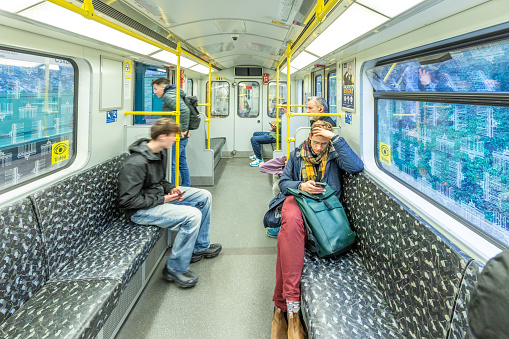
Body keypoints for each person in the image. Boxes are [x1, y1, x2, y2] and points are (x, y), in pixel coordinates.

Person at [270, 120, 364, 338]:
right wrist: (301, 185)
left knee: (286, 241)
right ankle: (293, 312)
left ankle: (281, 309)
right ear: (309, 137)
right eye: (316, 142)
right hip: (300, 200)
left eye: (324, 143)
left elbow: (356, 166)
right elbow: (283, 184)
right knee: (290, 221)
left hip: (323, 208)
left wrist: (335, 139)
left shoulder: (334, 155)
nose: (319, 148)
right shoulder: (296, 154)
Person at [118, 118, 222, 288]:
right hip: (139, 211)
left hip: (156, 197)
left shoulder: (160, 152)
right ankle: (174, 267)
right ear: (161, 137)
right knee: (192, 215)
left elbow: (160, 181)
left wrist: (171, 189)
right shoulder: (135, 164)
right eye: (173, 135)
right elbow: (127, 201)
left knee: (204, 196)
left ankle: (199, 247)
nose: (176, 138)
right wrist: (163, 199)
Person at [152, 77, 191, 187]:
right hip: (177, 135)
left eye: (155, 89)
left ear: (163, 87)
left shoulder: (168, 96)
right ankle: (186, 187)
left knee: (172, 164)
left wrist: (182, 130)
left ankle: (173, 191)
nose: (154, 92)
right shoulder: (174, 94)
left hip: (175, 136)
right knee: (182, 162)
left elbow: (184, 111)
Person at [248, 103, 287, 167]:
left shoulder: (289, 117)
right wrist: (275, 128)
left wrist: (274, 130)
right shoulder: (285, 116)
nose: (282, 111)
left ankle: (259, 159)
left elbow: (283, 131)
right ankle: (257, 154)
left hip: (276, 137)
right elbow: (281, 128)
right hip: (274, 133)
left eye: (283, 109)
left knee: (253, 139)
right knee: (255, 134)